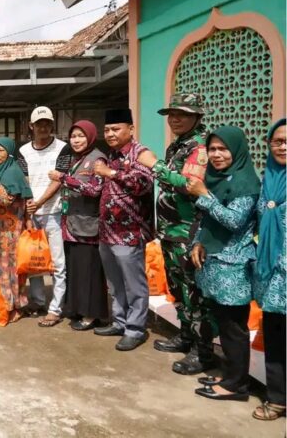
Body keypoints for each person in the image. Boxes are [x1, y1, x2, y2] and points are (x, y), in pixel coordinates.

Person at [137, 93, 214, 375]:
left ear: (197, 116)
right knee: (178, 289)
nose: (175, 119)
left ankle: (202, 351)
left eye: (182, 114)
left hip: (188, 231)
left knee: (195, 293)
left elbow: (190, 184)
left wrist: (154, 164)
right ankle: (186, 336)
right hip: (171, 232)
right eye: (172, 114)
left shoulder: (200, 148)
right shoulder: (178, 146)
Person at [188, 126, 260, 401]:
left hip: (234, 266)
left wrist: (204, 195)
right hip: (215, 264)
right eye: (212, 149)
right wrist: (198, 241)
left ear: (238, 150)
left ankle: (236, 386)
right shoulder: (217, 178)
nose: (216, 155)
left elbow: (233, 221)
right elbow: (207, 220)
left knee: (234, 329)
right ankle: (230, 375)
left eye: (223, 149)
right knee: (224, 324)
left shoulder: (246, 183)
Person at [91, 109, 154, 351]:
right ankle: (119, 321)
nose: (110, 134)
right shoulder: (112, 154)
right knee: (115, 282)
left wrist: (110, 173)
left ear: (130, 128)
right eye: (107, 130)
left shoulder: (141, 154)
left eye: (116, 129)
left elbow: (142, 185)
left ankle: (135, 329)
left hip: (129, 232)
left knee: (134, 284)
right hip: (107, 231)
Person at [49, 120, 109, 331]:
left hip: (88, 226)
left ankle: (91, 314)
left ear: (91, 136)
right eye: (73, 136)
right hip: (73, 224)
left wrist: (65, 179)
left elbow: (95, 190)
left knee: (89, 272)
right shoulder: (78, 159)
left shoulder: (97, 159)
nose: (76, 140)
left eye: (81, 136)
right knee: (76, 269)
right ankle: (77, 308)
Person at [19, 106, 71, 326]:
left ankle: (55, 308)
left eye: (47, 123)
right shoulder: (23, 151)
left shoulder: (63, 148)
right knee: (34, 261)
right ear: (31, 126)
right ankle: (38, 301)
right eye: (38, 123)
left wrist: (39, 202)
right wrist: (29, 207)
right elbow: (24, 179)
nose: (43, 127)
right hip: (33, 213)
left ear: (52, 125)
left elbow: (59, 179)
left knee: (58, 264)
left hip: (54, 212)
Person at [252, 118, 286, 419]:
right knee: (275, 335)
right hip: (273, 273)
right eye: (277, 141)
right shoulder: (269, 179)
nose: (283, 146)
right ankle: (277, 398)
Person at [0, 138, 33, 323]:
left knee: (10, 270)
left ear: (9, 153)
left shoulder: (12, 172)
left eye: (1, 151)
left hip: (9, 232)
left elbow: (6, 199)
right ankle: (1, 304)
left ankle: (15, 306)